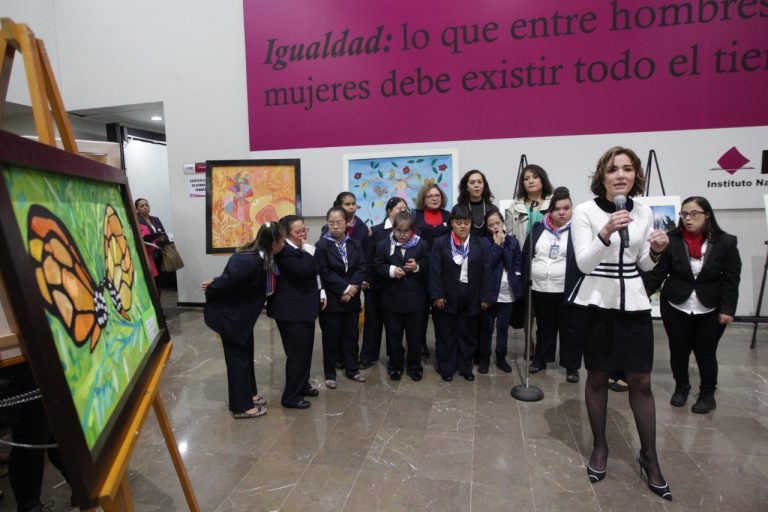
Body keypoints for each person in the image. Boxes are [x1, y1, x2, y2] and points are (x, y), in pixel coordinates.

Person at [568, 146, 672, 500]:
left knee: (641, 381)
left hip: (634, 303)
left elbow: (643, 264)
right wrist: (606, 231)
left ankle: (650, 458)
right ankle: (600, 448)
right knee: (597, 376)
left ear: (635, 175)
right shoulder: (584, 211)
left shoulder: (643, 211)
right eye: (613, 169)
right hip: (596, 302)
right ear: (603, 176)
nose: (621, 175)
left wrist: (656, 250)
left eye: (627, 169)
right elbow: (583, 264)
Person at [643, 196, 741, 414]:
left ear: (707, 215)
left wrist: (727, 309)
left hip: (709, 306)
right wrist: (642, 295)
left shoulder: (725, 242)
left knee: (705, 352)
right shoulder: (672, 239)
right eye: (684, 214)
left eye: (694, 214)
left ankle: (707, 393)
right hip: (676, 304)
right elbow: (659, 273)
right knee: (678, 350)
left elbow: (732, 278)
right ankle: (681, 387)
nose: (688, 219)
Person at [202, 222, 285, 418]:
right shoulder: (247, 260)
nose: (285, 243)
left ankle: (250, 394)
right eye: (282, 240)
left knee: (246, 356)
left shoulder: (263, 257)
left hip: (242, 317)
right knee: (238, 361)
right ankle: (241, 407)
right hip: (231, 317)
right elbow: (228, 282)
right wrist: (212, 285)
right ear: (273, 243)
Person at [523, 187, 582, 382]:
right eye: (558, 209)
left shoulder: (577, 231)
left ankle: (571, 366)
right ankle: (541, 359)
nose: (562, 212)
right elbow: (527, 254)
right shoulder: (539, 228)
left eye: (566, 208)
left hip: (567, 289)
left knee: (570, 329)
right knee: (545, 327)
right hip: (541, 288)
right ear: (550, 211)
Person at [430, 204, 493, 381]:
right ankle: (447, 367)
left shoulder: (480, 244)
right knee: (446, 333)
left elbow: (487, 271)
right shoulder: (440, 243)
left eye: (466, 222)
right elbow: (434, 271)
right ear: (452, 223)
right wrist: (438, 294)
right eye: (459, 222)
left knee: (468, 333)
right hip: (447, 296)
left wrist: (485, 296)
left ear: (471, 223)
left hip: (471, 295)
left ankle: (465, 367)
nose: (463, 226)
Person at [268, 215, 325, 409]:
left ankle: (303, 384)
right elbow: (304, 271)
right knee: (297, 354)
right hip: (290, 312)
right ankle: (290, 396)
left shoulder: (297, 249)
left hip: (304, 309)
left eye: (304, 230)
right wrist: (309, 250)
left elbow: (314, 271)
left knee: (306, 350)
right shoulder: (284, 252)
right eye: (298, 231)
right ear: (286, 234)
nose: (303, 234)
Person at [316, 206, 368, 388]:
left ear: (346, 223)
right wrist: (344, 288)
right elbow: (324, 271)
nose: (335, 226)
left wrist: (352, 289)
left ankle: (352, 369)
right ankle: (330, 374)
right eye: (331, 223)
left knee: (351, 336)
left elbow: (362, 266)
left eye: (339, 222)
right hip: (332, 299)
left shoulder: (353, 243)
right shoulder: (322, 245)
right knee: (331, 338)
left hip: (352, 299)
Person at [374, 211, 429, 381]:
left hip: (416, 299)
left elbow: (429, 263)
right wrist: (391, 270)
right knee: (393, 335)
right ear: (394, 229)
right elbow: (377, 265)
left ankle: (414, 366)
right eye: (399, 231)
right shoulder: (384, 245)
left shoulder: (421, 244)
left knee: (414, 336)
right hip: (392, 299)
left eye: (406, 231)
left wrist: (418, 266)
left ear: (412, 230)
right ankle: (395, 366)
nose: (402, 235)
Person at [359, 197, 409, 369]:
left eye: (405, 208)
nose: (403, 211)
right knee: (372, 323)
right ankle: (367, 356)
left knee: (394, 325)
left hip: (397, 288)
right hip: (376, 285)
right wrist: (366, 280)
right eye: (399, 208)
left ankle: (394, 356)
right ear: (389, 211)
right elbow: (368, 258)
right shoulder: (375, 231)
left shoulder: (410, 231)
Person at [477, 210, 523, 373]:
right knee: (487, 328)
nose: (495, 227)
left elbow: (518, 263)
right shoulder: (484, 243)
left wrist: (516, 278)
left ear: (503, 222)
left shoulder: (513, 242)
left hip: (508, 292)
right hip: (490, 293)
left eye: (497, 223)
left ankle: (501, 357)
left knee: (503, 328)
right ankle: (484, 358)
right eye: (491, 225)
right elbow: (486, 264)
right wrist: (497, 244)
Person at [411, 184, 452, 357]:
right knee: (420, 312)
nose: (434, 198)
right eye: (430, 196)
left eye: (437, 195)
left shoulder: (448, 216)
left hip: (443, 272)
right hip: (421, 271)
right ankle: (420, 344)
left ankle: (441, 346)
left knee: (441, 314)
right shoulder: (415, 216)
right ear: (423, 199)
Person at [505, 164, 554, 244]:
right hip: (523, 254)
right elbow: (509, 235)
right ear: (522, 184)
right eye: (526, 179)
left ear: (543, 180)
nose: (531, 181)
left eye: (535, 177)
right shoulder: (515, 206)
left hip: (547, 254)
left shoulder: (554, 203)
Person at [456, 169, 499, 236]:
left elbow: (498, 232)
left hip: (489, 245)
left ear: (484, 185)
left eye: (479, 182)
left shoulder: (493, 209)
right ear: (466, 187)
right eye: (472, 182)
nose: (476, 185)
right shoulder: (458, 209)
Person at [135, 198, 168, 279]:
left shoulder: (156, 219)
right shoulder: (136, 221)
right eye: (141, 206)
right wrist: (153, 240)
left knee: (160, 278)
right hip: (148, 255)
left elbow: (165, 235)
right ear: (137, 209)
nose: (145, 207)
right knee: (152, 279)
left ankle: (159, 291)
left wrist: (162, 239)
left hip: (160, 253)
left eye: (146, 205)